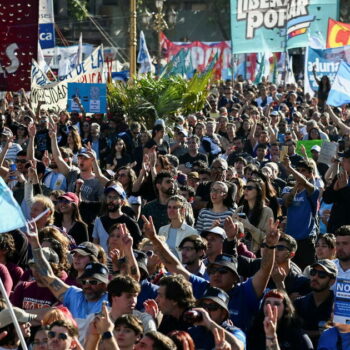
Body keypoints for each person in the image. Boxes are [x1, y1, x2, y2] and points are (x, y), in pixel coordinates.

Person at [142, 214, 280, 332]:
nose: (216, 274)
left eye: (223, 271)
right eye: (212, 270)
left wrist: (271, 246)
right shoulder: (204, 287)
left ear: (234, 278)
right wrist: (154, 239)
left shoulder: (246, 292)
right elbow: (175, 267)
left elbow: (265, 270)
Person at [283, 157, 319, 270]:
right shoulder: (288, 189)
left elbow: (304, 181)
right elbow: (287, 203)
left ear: (310, 173)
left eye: (302, 170)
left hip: (306, 240)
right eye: (297, 170)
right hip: (290, 240)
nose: (299, 173)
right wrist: (294, 189)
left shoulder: (312, 190)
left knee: (307, 272)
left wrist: (289, 168)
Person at [247, 289, 314, 350]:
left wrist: (271, 335)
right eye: (267, 303)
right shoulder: (254, 332)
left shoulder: (298, 336)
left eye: (276, 304)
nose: (270, 307)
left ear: (286, 309)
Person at [294, 259, 336, 347]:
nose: (315, 277)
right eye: (313, 272)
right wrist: (319, 332)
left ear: (332, 281)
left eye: (322, 275)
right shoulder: (299, 303)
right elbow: (294, 332)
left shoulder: (338, 307)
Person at [93, 184, 142, 251]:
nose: (111, 200)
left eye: (115, 197)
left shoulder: (130, 222)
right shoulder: (99, 221)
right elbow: (95, 245)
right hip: (103, 260)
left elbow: (138, 247)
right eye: (109, 197)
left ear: (122, 202)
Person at [235, 178, 274, 253]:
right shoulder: (240, 209)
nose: (245, 190)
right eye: (245, 187)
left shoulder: (267, 211)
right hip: (238, 250)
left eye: (249, 188)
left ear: (258, 192)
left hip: (257, 253)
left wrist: (249, 226)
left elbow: (267, 239)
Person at [159, 195, 198, 259]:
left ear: (182, 210)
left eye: (175, 208)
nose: (171, 210)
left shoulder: (191, 232)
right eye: (169, 207)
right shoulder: (162, 230)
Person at [323, 149, 350, 233]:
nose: (342, 163)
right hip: (335, 227)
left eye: (345, 161)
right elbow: (327, 199)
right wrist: (334, 190)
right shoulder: (339, 176)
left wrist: (345, 189)